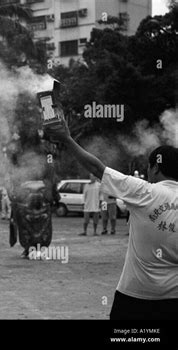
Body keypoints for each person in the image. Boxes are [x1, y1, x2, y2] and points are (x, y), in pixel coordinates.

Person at [44, 119, 178, 320]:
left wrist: (67, 139)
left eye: (149, 168)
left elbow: (98, 169)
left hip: (134, 297)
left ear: (156, 169)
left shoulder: (144, 192)